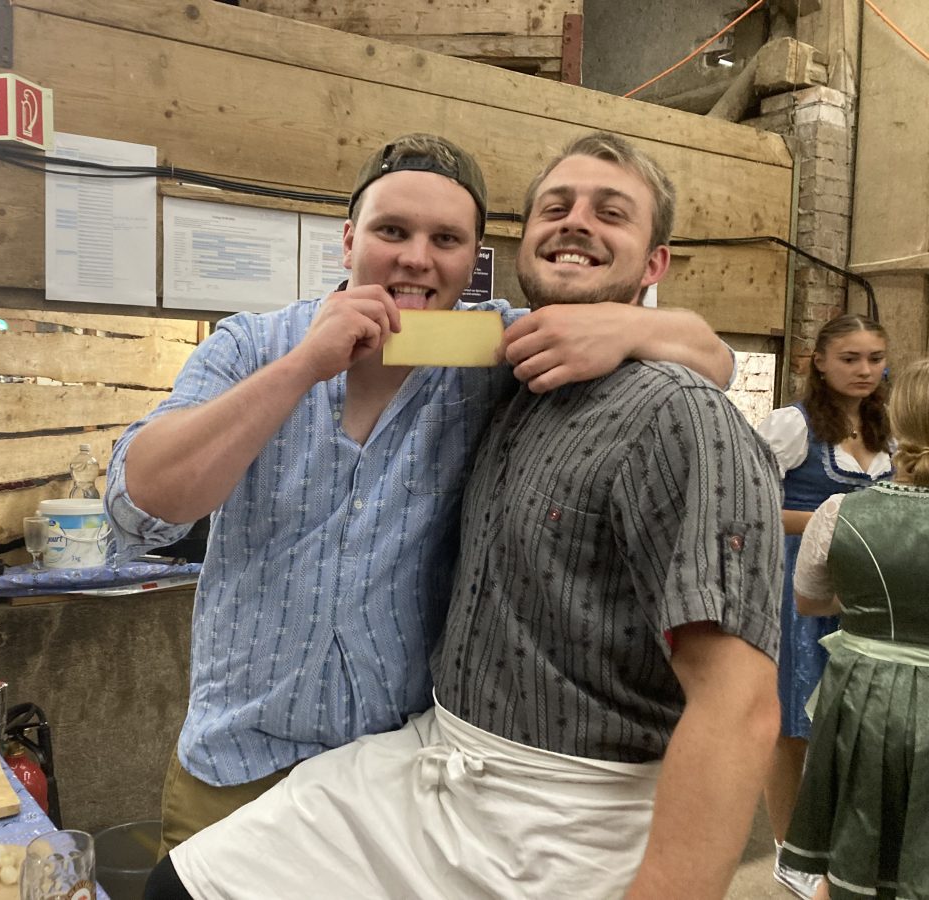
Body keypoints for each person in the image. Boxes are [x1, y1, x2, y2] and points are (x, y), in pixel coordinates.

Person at [142, 132, 782, 900]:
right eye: (392, 231)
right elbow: (150, 501)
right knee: (183, 887)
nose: (417, 258)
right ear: (348, 240)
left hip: (434, 777)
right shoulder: (263, 344)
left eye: (445, 239)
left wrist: (631, 326)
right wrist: (305, 365)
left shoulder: (509, 354)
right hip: (254, 759)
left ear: (474, 259)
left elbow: (711, 359)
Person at [777, 356, 929, 900]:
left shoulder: (839, 512)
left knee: (857, 859)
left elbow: (809, 601)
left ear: (896, 421)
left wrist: (877, 609)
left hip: (868, 702)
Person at [756, 314, 892, 899]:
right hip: (797, 583)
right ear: (820, 361)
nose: (865, 370)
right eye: (850, 358)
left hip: (866, 586)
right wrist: (831, 520)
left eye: (875, 358)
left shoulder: (890, 428)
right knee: (792, 721)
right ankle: (787, 848)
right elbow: (750, 504)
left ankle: (833, 843)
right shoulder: (794, 425)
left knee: (851, 722)